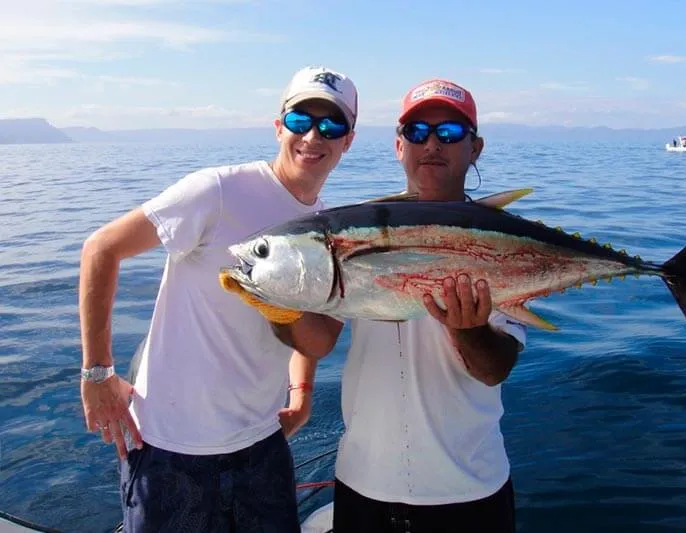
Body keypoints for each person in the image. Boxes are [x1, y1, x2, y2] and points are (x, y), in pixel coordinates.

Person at [78, 65, 357, 533]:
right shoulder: (218, 191)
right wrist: (97, 372)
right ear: (277, 127)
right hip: (168, 448)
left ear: (347, 140)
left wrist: (302, 395)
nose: (313, 136)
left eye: (331, 125)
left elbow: (316, 328)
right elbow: (101, 248)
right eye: (299, 121)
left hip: (262, 447)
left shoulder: (330, 228)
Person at [281, 79, 527, 533]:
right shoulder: (352, 233)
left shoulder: (505, 241)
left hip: (468, 491)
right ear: (398, 146)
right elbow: (316, 343)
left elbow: (496, 368)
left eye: (450, 133)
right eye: (417, 132)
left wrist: (467, 329)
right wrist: (278, 301)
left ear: (476, 148)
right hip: (361, 486)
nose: (432, 144)